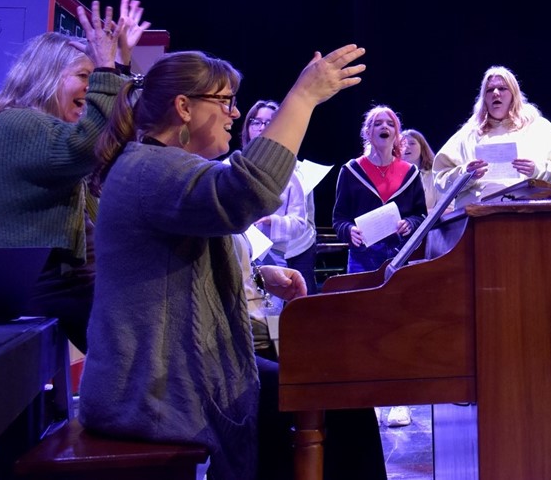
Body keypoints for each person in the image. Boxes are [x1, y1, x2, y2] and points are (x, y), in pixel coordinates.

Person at [79, 44, 371, 480]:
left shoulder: (163, 166)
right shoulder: (148, 169)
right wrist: (303, 97)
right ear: (184, 108)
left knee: (339, 397)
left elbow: (187, 257)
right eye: (224, 102)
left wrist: (258, 273)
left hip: (185, 374)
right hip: (152, 390)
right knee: (339, 405)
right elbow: (246, 192)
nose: (234, 114)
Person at [0, 0, 147, 351]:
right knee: (147, 357)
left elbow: (113, 144)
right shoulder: (15, 123)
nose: (91, 85)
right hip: (53, 281)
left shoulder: (50, 131)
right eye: (83, 76)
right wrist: (106, 69)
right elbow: (90, 145)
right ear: (47, 75)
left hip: (79, 278)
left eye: (92, 77)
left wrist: (119, 64)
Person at [433, 66, 551, 209]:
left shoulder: (537, 128)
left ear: (514, 94)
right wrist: (466, 174)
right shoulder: (469, 134)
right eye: (490, 90)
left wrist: (537, 170)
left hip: (529, 214)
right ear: (484, 98)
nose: (496, 93)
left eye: (502, 88)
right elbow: (440, 177)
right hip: (479, 216)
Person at [331, 106, 427, 275]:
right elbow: (339, 219)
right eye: (378, 124)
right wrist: (349, 230)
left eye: (390, 124)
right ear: (368, 133)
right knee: (362, 301)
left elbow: (420, 215)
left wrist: (410, 223)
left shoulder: (410, 173)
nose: (384, 127)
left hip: (400, 255)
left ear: (396, 134)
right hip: (362, 256)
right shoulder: (351, 171)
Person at [243, 99, 319, 295]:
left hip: (273, 255)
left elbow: (300, 222)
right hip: (237, 252)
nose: (262, 128)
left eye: (270, 122)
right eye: (256, 122)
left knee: (270, 320)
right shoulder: (230, 166)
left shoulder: (292, 174)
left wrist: (273, 222)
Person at [400, 129, 439, 212]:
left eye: (412, 143)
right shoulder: (392, 176)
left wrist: (418, 217)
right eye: (402, 144)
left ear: (422, 147)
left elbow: (449, 208)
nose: (406, 147)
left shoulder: (436, 174)